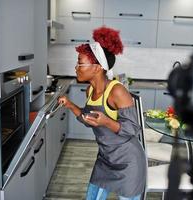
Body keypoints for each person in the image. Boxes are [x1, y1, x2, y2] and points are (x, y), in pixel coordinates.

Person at [58, 27, 146, 200]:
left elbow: (133, 128)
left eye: (80, 63)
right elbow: (87, 118)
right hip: (105, 160)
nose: (76, 68)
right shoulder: (90, 90)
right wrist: (69, 104)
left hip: (129, 163)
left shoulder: (117, 91)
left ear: (97, 67)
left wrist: (106, 122)